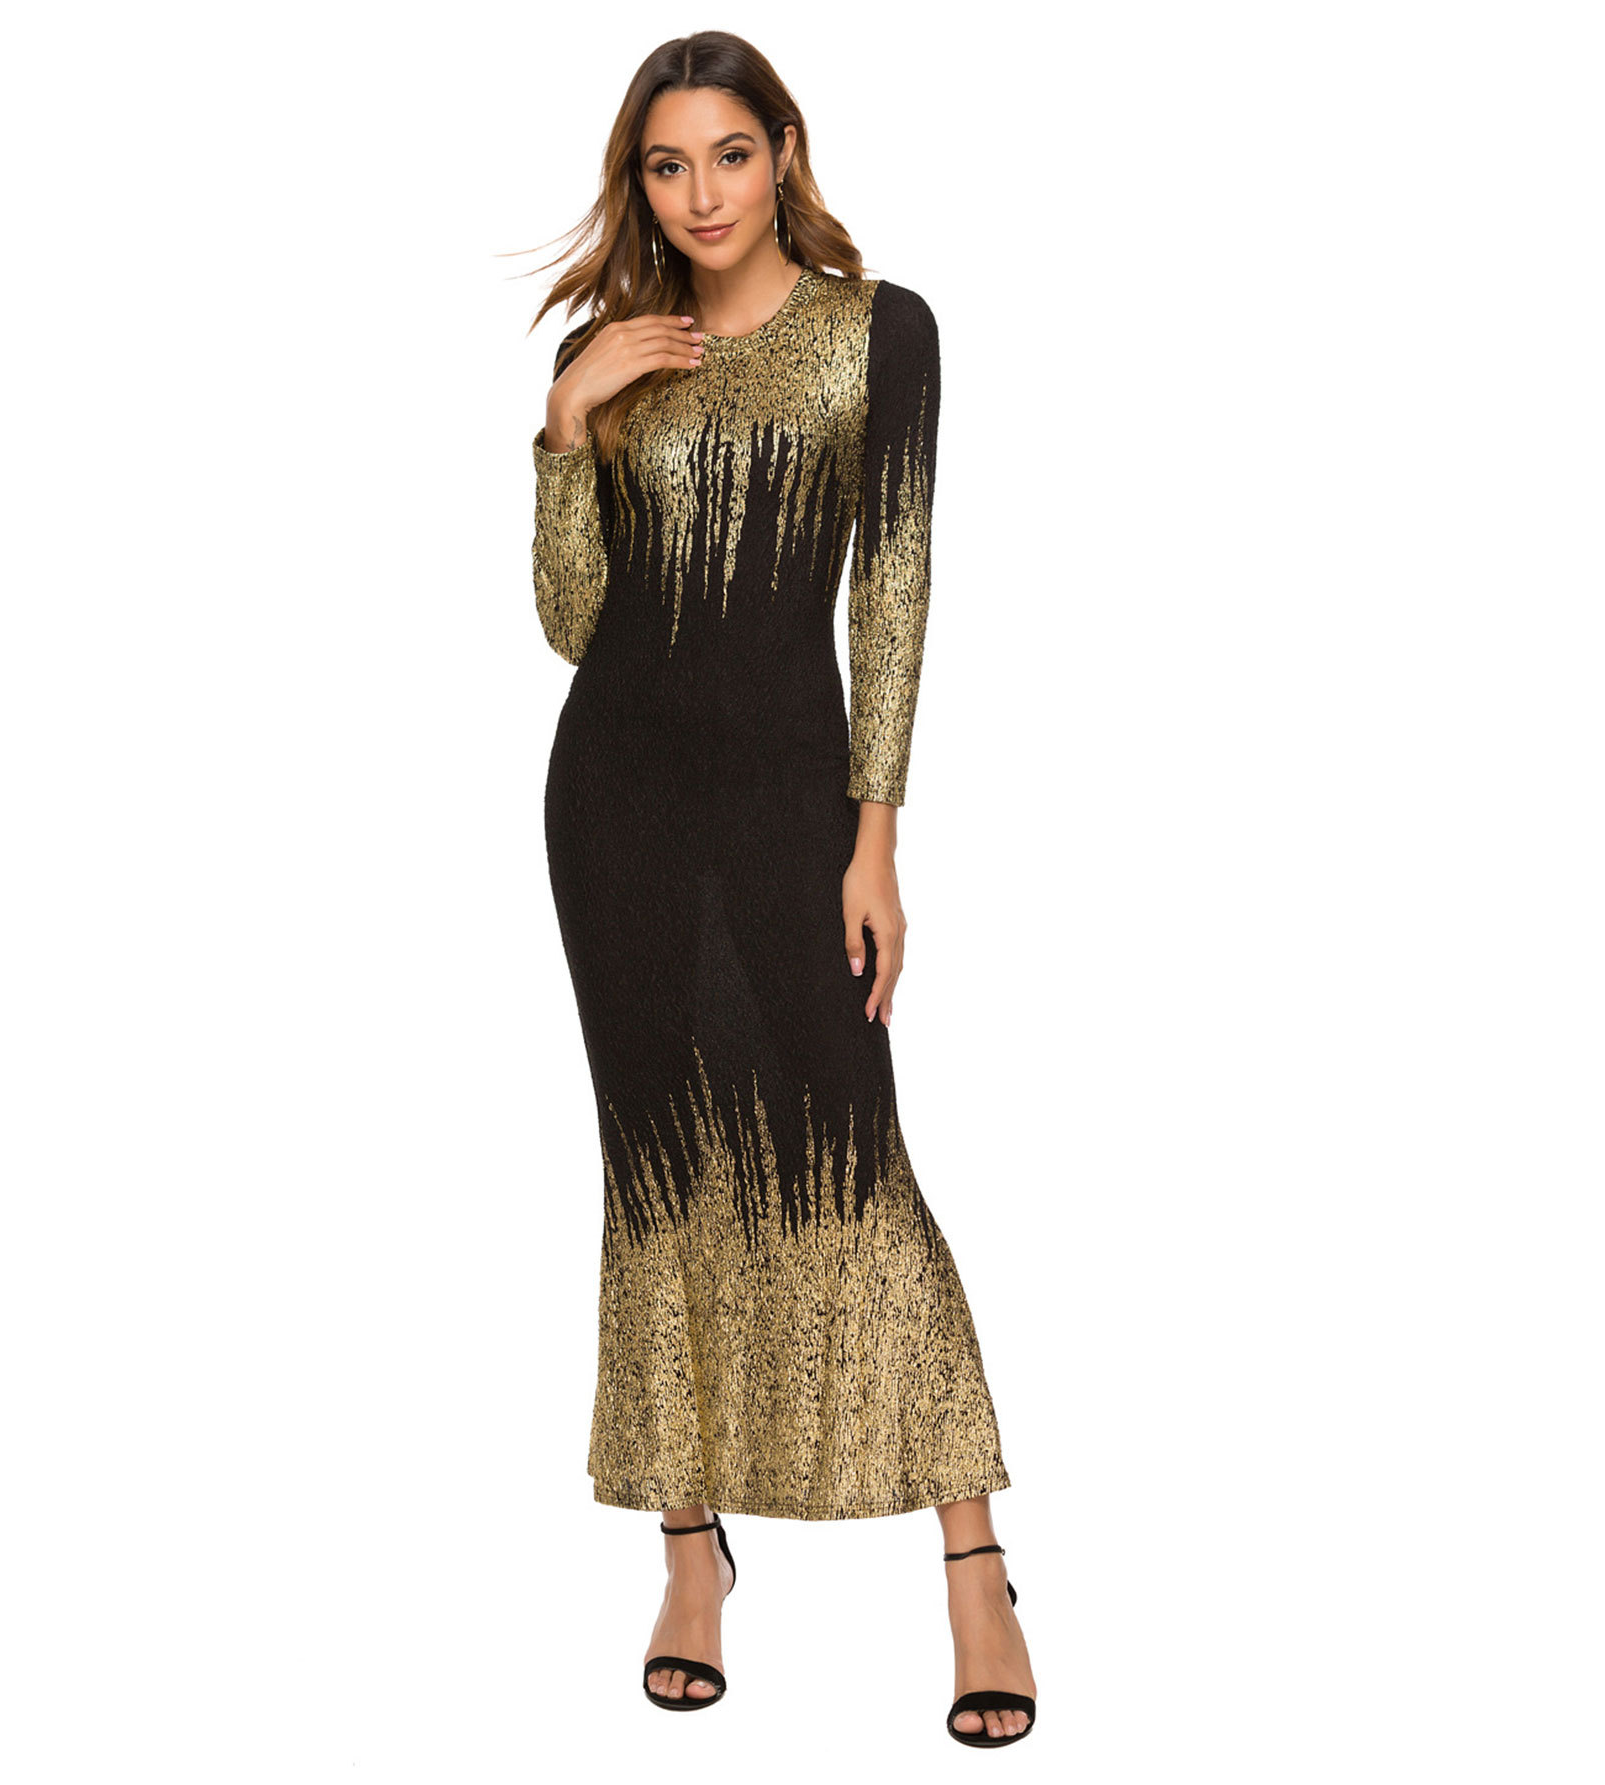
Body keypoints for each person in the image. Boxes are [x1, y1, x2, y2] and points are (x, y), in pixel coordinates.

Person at [526, 31, 1036, 1747]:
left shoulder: (878, 332)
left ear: (783, 151)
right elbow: (573, 624)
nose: (701, 196)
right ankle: (689, 1552)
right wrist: (566, 425)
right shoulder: (611, 356)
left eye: (729, 156)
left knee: (852, 1154)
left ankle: (973, 1562)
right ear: (640, 181)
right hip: (615, 805)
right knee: (656, 1165)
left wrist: (873, 832)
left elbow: (894, 586)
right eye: (667, 166)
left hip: (784, 807)